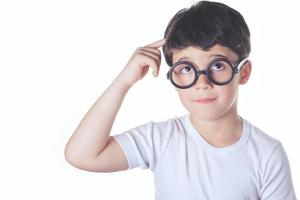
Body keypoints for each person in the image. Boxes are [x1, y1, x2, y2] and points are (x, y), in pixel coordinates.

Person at [64, 1, 297, 199]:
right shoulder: (160, 139)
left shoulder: (267, 154)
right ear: (173, 74)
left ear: (243, 73)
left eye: (217, 65)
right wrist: (124, 81)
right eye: (186, 68)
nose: (202, 82)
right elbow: (81, 155)